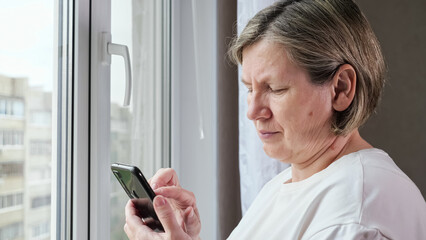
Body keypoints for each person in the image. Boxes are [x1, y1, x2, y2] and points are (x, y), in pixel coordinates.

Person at [124, 0, 426, 239]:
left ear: (341, 88)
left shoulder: (355, 218)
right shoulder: (289, 182)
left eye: (275, 89)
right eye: (249, 89)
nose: (253, 111)